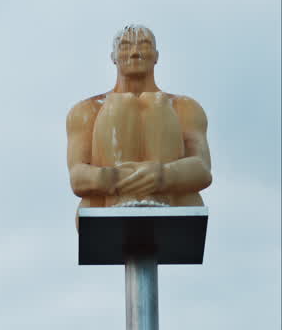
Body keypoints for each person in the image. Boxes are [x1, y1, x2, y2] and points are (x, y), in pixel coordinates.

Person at [66, 25, 211, 207]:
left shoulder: (185, 107)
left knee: (156, 102)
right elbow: (78, 177)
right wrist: (116, 178)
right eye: (125, 46)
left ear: (156, 56)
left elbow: (203, 169)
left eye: (143, 45)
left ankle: (157, 200)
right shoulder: (86, 110)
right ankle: (123, 201)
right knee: (119, 104)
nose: (135, 53)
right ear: (113, 57)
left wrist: (162, 175)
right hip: (107, 204)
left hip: (172, 203)